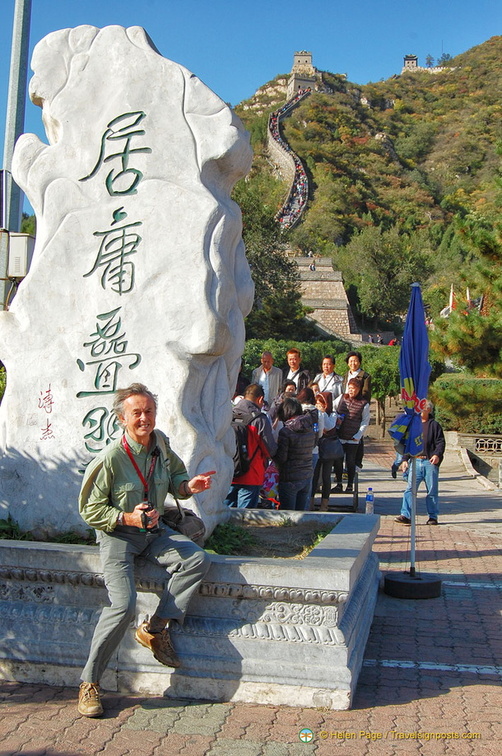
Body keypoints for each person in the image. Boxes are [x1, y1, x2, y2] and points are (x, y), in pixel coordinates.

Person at [78, 383, 214, 718]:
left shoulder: (160, 443)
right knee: (123, 606)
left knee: (197, 559)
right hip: (118, 538)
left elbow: (176, 478)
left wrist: (188, 486)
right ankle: (90, 682)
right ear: (122, 419)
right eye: (136, 412)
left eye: (149, 411)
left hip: (154, 532)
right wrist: (127, 517)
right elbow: (89, 510)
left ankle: (154, 629)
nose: (144, 418)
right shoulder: (110, 459)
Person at [225, 384, 277, 509]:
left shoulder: (228, 414)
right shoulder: (259, 419)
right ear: (260, 399)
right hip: (251, 474)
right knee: (245, 517)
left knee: (225, 514)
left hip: (228, 471)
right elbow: (269, 448)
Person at [395, 401, 446, 526]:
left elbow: (440, 442)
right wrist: (405, 460)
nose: (420, 411)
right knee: (410, 489)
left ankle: (433, 517)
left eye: (423, 408)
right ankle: (406, 515)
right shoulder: (414, 426)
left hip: (429, 462)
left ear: (429, 410)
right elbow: (408, 444)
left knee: (432, 491)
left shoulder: (434, 425)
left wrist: (436, 455)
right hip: (415, 461)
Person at [273, 398, 316, 511]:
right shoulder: (310, 428)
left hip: (290, 478)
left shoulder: (286, 431)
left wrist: (272, 453)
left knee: (288, 516)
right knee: (301, 515)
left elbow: (282, 458)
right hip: (306, 475)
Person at [332, 378, 370, 493]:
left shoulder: (364, 404)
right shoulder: (342, 398)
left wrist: (358, 435)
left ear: (359, 389)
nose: (351, 390)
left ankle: (349, 485)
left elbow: (365, 421)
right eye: (350, 388)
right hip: (340, 435)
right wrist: (335, 418)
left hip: (353, 437)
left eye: (354, 388)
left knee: (350, 461)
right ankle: (338, 484)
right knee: (338, 460)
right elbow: (333, 408)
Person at [311, 391, 337, 510]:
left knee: (326, 476)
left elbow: (329, 426)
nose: (318, 406)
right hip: (317, 447)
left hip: (328, 449)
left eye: (321, 403)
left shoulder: (332, 414)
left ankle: (324, 504)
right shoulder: (313, 414)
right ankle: (310, 502)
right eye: (316, 403)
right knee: (314, 476)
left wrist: (322, 414)